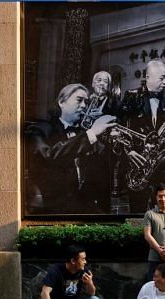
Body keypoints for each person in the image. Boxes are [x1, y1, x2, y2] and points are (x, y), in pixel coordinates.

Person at [26, 83, 116, 214]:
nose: (84, 106)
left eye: (86, 102)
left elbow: (102, 170)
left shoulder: (85, 133)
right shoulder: (40, 129)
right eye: (79, 100)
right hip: (51, 208)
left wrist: (109, 141)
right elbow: (49, 155)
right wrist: (91, 133)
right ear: (62, 102)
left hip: (84, 206)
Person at [120, 60, 165, 211]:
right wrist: (129, 151)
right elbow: (121, 129)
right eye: (162, 78)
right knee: (138, 206)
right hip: (139, 160)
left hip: (162, 159)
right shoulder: (132, 97)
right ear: (148, 77)